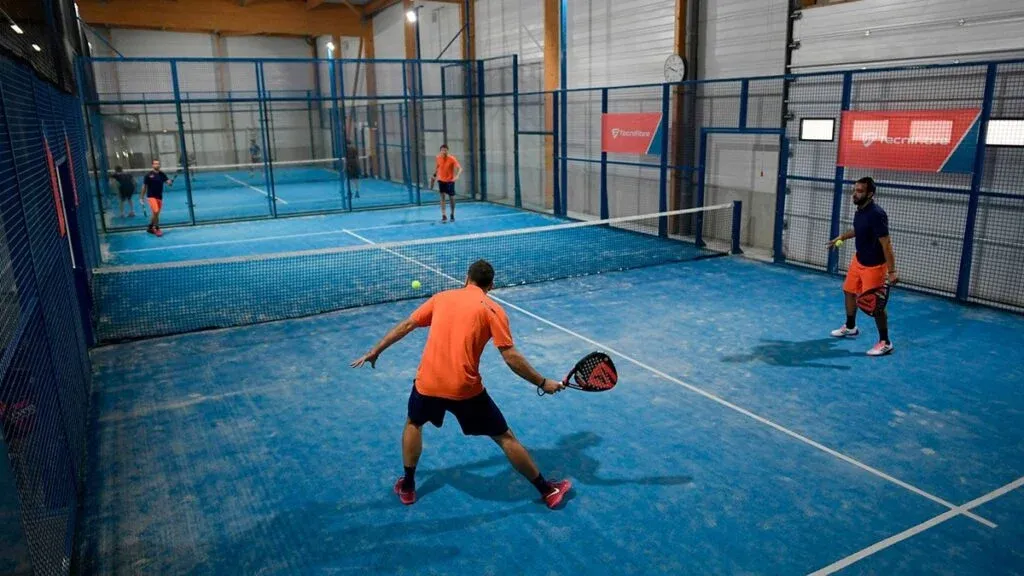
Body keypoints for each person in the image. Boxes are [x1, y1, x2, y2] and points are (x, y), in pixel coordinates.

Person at [350, 259, 573, 509]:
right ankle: (547, 490)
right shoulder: (493, 310)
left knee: (414, 423)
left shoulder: (441, 298)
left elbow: (407, 325)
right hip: (464, 390)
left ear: (466, 278)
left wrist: (376, 350)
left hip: (428, 383)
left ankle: (408, 485)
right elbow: (510, 356)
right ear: (491, 285)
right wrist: (543, 382)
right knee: (504, 437)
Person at [828, 176, 899, 356]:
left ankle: (885, 342)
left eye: (859, 191)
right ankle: (851, 327)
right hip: (858, 260)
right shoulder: (860, 209)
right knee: (849, 291)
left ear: (870, 194)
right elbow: (859, 230)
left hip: (874, 266)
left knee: (876, 305)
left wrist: (892, 271)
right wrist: (842, 237)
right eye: (855, 190)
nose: (855, 194)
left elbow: (886, 244)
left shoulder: (877, 214)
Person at [141, 159, 172, 237]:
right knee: (156, 210)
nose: (157, 165)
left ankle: (150, 227)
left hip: (159, 197)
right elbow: (144, 186)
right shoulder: (148, 175)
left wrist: (169, 182)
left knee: (156, 214)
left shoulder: (162, 174)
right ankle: (157, 228)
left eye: (158, 164)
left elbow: (168, 182)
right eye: (155, 164)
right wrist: (141, 197)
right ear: (152, 165)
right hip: (151, 196)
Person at [431, 144, 462, 222]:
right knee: (442, 197)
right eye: (442, 150)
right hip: (441, 180)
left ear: (447, 150)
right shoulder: (438, 157)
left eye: (445, 150)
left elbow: (460, 168)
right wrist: (434, 175)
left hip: (450, 181)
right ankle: (444, 215)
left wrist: (457, 176)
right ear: (440, 151)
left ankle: (452, 214)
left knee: (451, 198)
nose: (444, 151)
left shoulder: (452, 158)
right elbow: (438, 166)